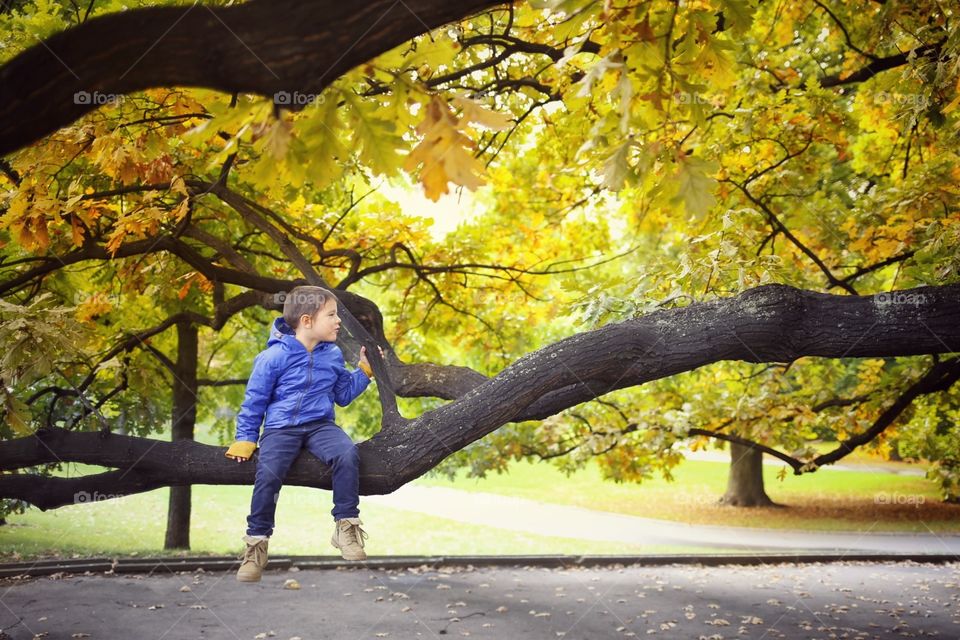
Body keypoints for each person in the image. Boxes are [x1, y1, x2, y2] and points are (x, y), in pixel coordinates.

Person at [224, 285, 380, 582]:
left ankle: (346, 527)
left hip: (320, 425)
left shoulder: (332, 355)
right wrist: (245, 438)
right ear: (307, 321)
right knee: (269, 474)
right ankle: (256, 544)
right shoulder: (272, 358)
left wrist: (364, 371)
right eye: (332, 315)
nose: (338, 322)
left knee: (347, 453)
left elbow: (343, 395)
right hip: (280, 429)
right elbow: (254, 401)